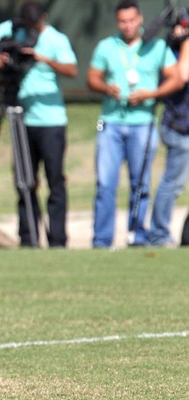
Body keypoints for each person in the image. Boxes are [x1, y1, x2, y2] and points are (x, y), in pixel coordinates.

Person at [0, 1, 77, 248]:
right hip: (21, 116)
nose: (30, 28)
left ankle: (58, 240)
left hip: (51, 121)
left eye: (34, 25)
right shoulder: (12, 28)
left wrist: (42, 58)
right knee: (24, 180)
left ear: (43, 19)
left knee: (55, 181)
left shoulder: (56, 40)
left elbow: (72, 70)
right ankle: (28, 238)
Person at [87, 0, 179, 248]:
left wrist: (151, 95)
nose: (127, 26)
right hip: (110, 122)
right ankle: (101, 240)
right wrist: (107, 88)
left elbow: (176, 78)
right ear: (117, 22)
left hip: (143, 122)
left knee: (141, 183)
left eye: (131, 20)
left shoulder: (156, 47)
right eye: (122, 21)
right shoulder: (107, 46)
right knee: (105, 183)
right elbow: (92, 78)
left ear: (139, 19)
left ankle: (137, 235)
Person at [149, 16, 189, 247]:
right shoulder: (174, 52)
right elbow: (182, 76)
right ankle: (158, 234)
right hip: (180, 128)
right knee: (172, 184)